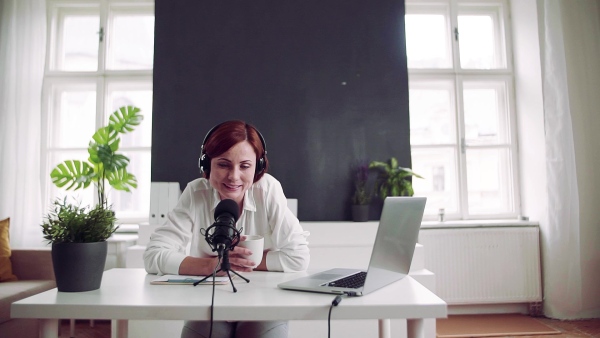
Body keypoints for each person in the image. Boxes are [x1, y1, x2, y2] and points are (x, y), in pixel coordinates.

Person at [144, 120, 310, 338]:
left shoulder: (268, 190)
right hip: (211, 300)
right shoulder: (195, 193)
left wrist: (236, 263)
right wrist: (211, 265)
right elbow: (153, 255)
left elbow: (298, 257)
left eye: (245, 166)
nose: (234, 176)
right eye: (223, 164)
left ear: (258, 167)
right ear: (206, 164)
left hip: (262, 300)